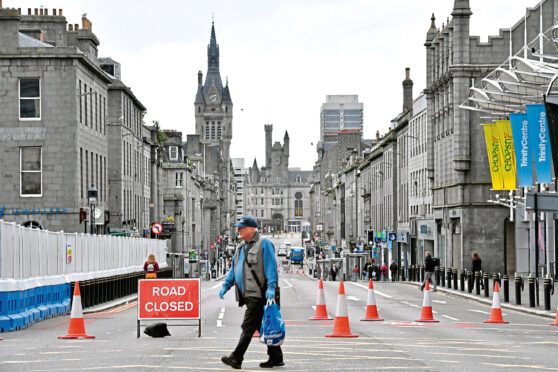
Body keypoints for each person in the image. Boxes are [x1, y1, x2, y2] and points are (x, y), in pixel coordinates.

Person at [219, 216, 283, 370]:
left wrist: (271, 287)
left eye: (241, 227)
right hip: (248, 295)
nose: (238, 230)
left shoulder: (264, 243)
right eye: (238, 227)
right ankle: (276, 357)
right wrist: (226, 285)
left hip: (260, 293)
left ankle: (236, 357)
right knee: (265, 326)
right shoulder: (241, 247)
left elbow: (271, 267)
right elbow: (234, 270)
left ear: (251, 229)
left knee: (248, 326)